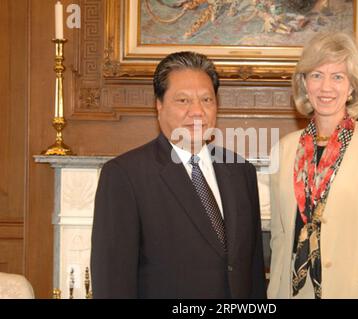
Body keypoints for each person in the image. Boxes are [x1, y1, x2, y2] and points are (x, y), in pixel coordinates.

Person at [91, 51, 266, 298]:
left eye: (207, 100)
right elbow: (112, 283)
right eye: (183, 101)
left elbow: (253, 272)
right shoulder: (124, 176)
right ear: (159, 105)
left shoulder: (241, 172)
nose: (197, 111)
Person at [267, 32, 358, 299]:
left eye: (337, 76)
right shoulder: (284, 149)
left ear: (351, 87)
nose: (326, 87)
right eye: (316, 75)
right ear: (303, 83)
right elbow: (279, 239)